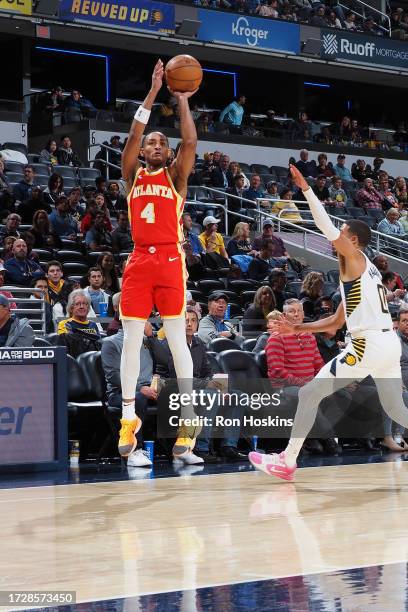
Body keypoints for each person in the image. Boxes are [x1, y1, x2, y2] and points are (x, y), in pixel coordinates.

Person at [249, 164, 408, 481]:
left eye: (343, 233)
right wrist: (298, 328)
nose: (338, 237)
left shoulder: (356, 258)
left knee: (309, 394)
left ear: (353, 240)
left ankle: (287, 460)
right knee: (396, 410)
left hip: (369, 344)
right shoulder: (364, 274)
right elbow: (335, 322)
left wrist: (306, 189)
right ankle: (288, 459)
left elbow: (325, 227)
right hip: (386, 343)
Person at [118, 59, 200, 465]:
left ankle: (188, 422)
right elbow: (132, 134)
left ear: (166, 154)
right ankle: (128, 418)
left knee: (177, 340)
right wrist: (152, 92)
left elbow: (190, 143)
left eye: (159, 144)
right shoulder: (132, 176)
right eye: (151, 142)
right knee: (132, 341)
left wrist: (182, 100)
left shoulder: (176, 177)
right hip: (139, 262)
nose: (153, 146)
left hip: (170, 260)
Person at [102, 320, 156, 467]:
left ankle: (187, 449)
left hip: (149, 389)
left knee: (178, 395)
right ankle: (135, 450)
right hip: (120, 393)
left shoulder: (146, 340)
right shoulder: (111, 342)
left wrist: (151, 336)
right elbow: (112, 376)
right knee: (138, 399)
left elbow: (163, 360)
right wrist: (140, 388)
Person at [57, 289, 101, 358]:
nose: (81, 307)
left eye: (84, 304)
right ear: (71, 308)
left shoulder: (93, 325)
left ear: (88, 307)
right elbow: (66, 347)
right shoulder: (65, 324)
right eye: (77, 304)